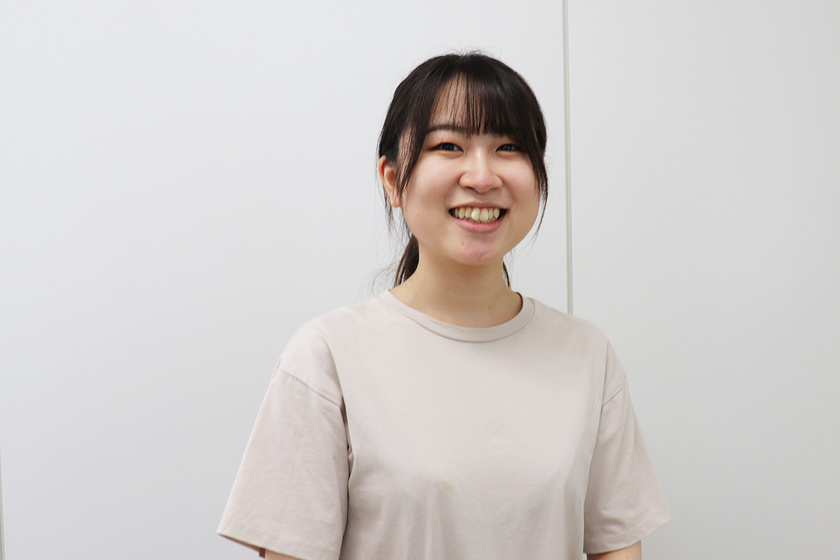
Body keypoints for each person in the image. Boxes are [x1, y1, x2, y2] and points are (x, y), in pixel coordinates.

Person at [218, 52, 671, 560]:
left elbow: (616, 548)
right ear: (393, 179)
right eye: (448, 146)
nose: (482, 176)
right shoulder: (327, 357)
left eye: (508, 147)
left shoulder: (587, 354)